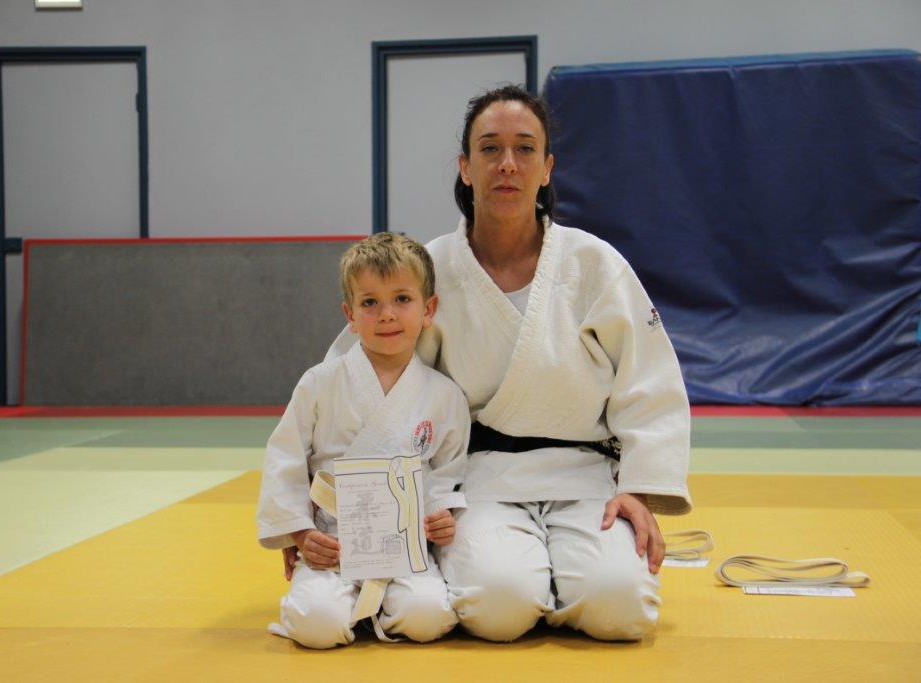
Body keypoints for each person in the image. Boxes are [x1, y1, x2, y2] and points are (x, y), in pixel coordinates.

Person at [330, 85, 691, 642]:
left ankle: (566, 578)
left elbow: (650, 383)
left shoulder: (594, 263)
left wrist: (639, 489)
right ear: (465, 167)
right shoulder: (429, 271)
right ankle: (537, 583)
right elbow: (360, 378)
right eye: (490, 149)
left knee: (621, 609)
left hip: (585, 475)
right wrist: (336, 509)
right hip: (478, 478)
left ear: (546, 169)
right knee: (498, 608)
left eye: (525, 149)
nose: (507, 164)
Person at [256, 232, 471, 649]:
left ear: (428, 309)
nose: (386, 315)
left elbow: (448, 471)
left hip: (406, 546)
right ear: (350, 315)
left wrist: (441, 513)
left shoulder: (445, 395)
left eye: (402, 299)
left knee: (427, 618)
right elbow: (285, 461)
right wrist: (301, 535)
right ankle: (338, 604)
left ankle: (375, 609)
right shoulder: (319, 383)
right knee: (316, 625)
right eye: (370, 302)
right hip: (332, 544)